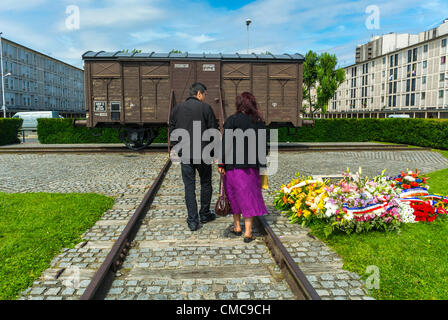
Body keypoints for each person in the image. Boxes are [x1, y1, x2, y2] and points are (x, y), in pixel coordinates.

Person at [218, 92, 269, 243]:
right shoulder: (259, 122)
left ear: (239, 104)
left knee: (233, 196)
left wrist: (221, 164)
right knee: (249, 197)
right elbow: (263, 148)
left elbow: (225, 144)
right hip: (251, 168)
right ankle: (248, 232)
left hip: (232, 166)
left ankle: (237, 227)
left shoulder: (232, 120)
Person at [169, 82, 219, 231]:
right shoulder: (206, 108)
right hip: (203, 154)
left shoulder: (177, 109)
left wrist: (176, 148)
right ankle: (204, 214)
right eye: (204, 94)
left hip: (185, 154)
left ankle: (192, 221)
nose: (204, 97)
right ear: (199, 93)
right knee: (205, 183)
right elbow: (213, 131)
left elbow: (172, 129)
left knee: (189, 187)